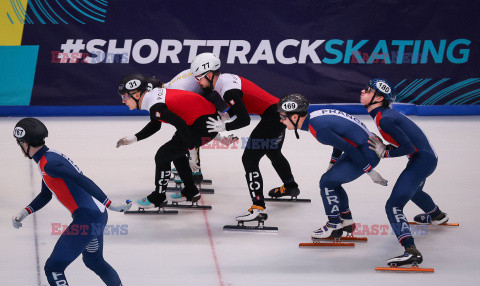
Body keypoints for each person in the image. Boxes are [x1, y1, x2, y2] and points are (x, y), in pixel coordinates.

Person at [11, 118, 131, 286]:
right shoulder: (49, 156)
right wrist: (24, 212)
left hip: (88, 218)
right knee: (94, 261)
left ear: (25, 144)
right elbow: (46, 194)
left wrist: (109, 203)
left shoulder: (49, 164)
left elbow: (81, 179)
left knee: (53, 268)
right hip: (96, 215)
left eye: (20, 144)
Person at [190, 53, 301, 223]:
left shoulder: (227, 90)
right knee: (273, 152)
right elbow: (241, 105)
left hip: (272, 116)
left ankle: (258, 207)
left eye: (199, 78)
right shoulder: (224, 81)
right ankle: (291, 187)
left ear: (210, 74)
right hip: (277, 113)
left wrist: (225, 126)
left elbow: (244, 119)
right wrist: (226, 117)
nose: (198, 82)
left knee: (249, 159)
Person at [362, 78, 449, 266]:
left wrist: (385, 152)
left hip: (422, 159)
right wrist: (386, 148)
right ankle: (437, 216)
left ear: (378, 98)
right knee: (414, 191)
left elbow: (407, 146)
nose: (362, 91)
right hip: (425, 157)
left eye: (368, 90)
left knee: (393, 205)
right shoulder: (383, 115)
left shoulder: (384, 119)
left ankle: (411, 250)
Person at [277, 94, 388, 239]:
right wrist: (332, 164)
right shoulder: (315, 118)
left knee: (326, 182)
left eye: (284, 117)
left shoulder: (319, 130)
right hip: (363, 147)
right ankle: (347, 221)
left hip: (365, 153)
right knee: (332, 180)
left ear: (295, 117)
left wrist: (370, 171)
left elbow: (349, 148)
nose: (281, 120)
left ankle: (334, 225)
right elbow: (341, 141)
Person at [116, 73, 218, 208]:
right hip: (201, 121)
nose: (123, 101)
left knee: (162, 156)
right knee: (175, 153)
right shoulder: (152, 98)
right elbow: (155, 125)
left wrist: (192, 152)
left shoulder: (155, 105)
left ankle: (158, 197)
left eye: (125, 97)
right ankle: (191, 191)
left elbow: (180, 123)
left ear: (136, 95)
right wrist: (133, 138)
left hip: (205, 124)